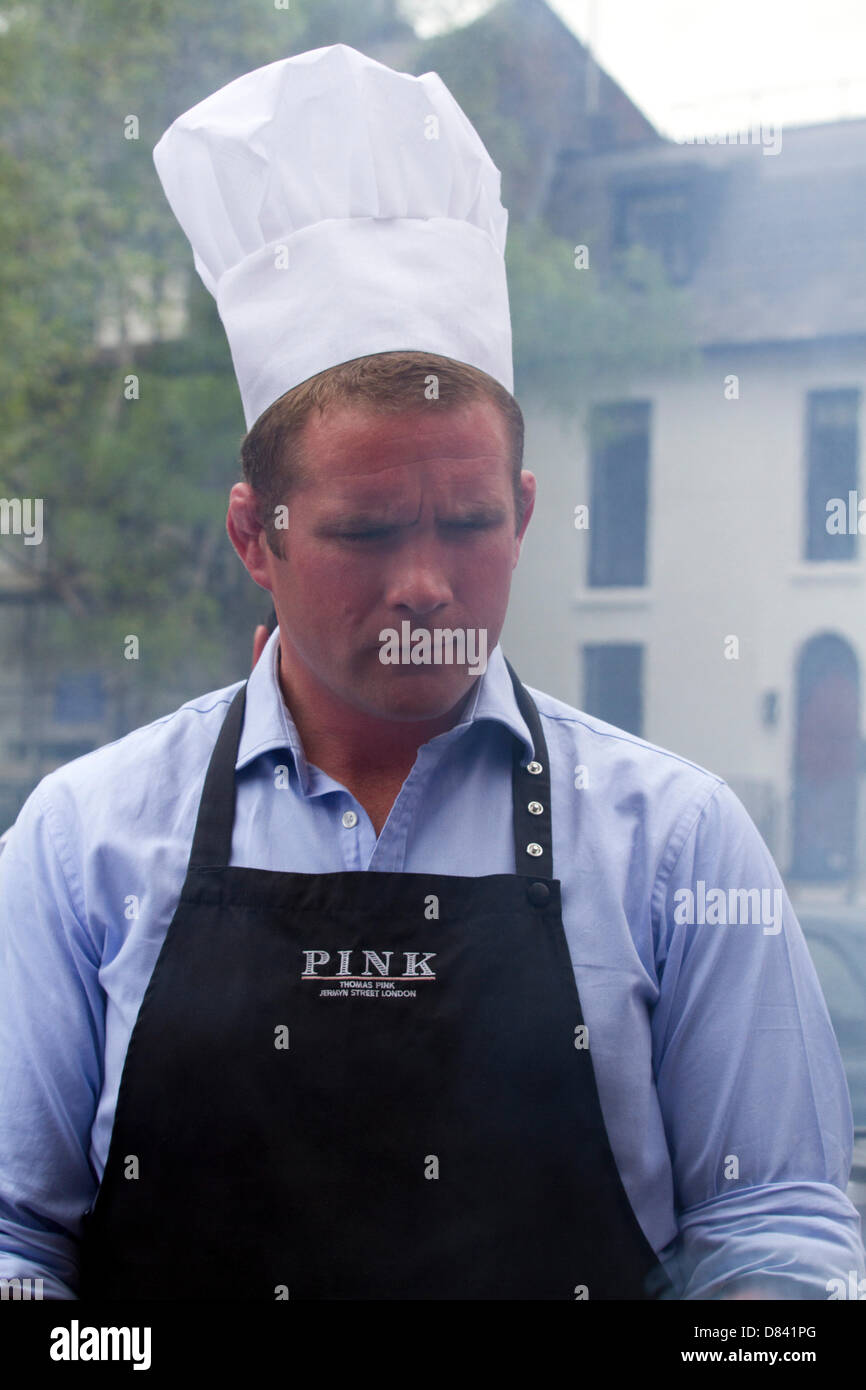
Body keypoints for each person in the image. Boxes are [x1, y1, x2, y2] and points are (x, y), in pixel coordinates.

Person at [0, 44, 862, 1302]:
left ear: (521, 511)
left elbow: (770, 1230)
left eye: (465, 523)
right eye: (361, 532)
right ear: (257, 535)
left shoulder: (674, 843)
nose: (423, 583)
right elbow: (17, 1238)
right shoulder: (81, 846)